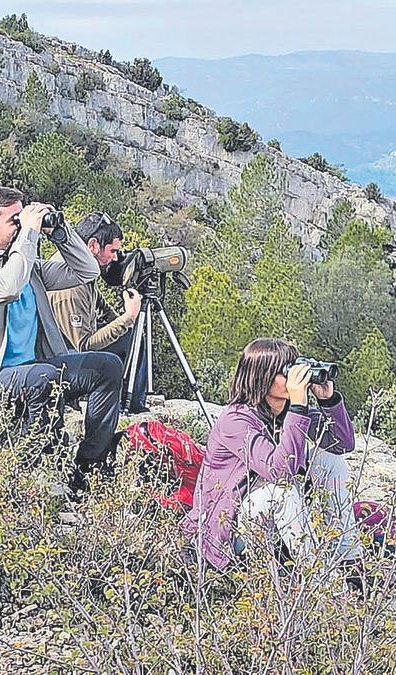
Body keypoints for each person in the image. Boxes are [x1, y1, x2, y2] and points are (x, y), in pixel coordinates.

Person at [0, 186, 123, 492]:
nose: (21, 225)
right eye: (13, 220)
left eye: (22, 217)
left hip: (36, 368)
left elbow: (87, 270)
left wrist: (60, 232)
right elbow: (8, 286)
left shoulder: (31, 270)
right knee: (43, 377)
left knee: (107, 366)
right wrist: (28, 234)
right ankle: (34, 468)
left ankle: (89, 467)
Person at [181, 338, 363, 573]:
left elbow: (342, 444)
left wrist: (328, 400)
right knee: (281, 493)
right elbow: (280, 471)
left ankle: (349, 561)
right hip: (228, 530)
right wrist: (298, 406)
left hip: (273, 517)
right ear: (262, 376)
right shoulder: (235, 420)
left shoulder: (285, 412)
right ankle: (320, 581)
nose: (294, 379)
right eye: (287, 371)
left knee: (330, 460)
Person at [47, 212, 148, 412]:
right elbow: (83, 345)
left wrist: (123, 322)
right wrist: (128, 318)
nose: (115, 258)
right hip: (62, 357)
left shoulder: (81, 264)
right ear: (93, 245)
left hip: (71, 342)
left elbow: (100, 304)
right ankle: (131, 408)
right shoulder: (71, 285)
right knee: (125, 343)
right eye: (112, 251)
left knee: (131, 337)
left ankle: (128, 403)